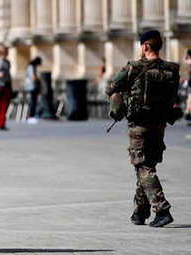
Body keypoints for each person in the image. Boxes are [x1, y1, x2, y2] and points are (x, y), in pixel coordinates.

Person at [106, 30, 180, 228]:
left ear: (145, 46)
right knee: (147, 166)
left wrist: (117, 104)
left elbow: (111, 88)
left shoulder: (134, 67)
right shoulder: (171, 69)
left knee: (143, 167)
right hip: (160, 124)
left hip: (139, 126)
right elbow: (173, 98)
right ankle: (139, 212)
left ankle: (162, 209)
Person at [24, 57, 42, 124]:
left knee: (34, 101)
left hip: (32, 86)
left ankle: (33, 115)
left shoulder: (31, 67)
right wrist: (40, 79)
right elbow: (33, 77)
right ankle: (31, 115)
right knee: (33, 101)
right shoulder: (31, 67)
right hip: (31, 86)